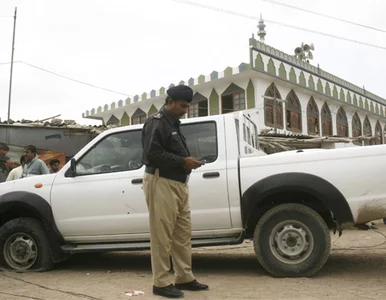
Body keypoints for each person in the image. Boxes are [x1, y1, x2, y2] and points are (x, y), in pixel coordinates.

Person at [141, 85, 208, 298]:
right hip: (161, 181)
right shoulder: (157, 123)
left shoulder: (174, 123)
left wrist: (187, 163)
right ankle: (160, 283)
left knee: (182, 234)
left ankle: (184, 277)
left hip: (179, 184)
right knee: (162, 236)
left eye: (188, 106)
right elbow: (151, 155)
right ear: (170, 101)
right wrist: (183, 161)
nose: (186, 109)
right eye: (182, 105)